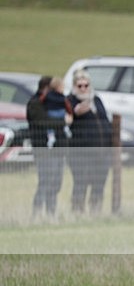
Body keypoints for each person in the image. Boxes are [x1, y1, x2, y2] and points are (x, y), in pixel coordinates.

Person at [67, 70, 113, 213]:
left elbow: (105, 120)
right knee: (80, 183)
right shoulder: (70, 101)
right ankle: (77, 211)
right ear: (74, 86)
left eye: (86, 85)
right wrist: (75, 113)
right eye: (79, 85)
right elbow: (67, 121)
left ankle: (95, 211)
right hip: (80, 152)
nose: (83, 89)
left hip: (101, 152)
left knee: (99, 184)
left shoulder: (96, 100)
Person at [27, 76, 72, 218]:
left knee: (55, 184)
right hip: (43, 150)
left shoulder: (53, 102)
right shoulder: (35, 103)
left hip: (57, 150)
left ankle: (50, 213)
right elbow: (42, 122)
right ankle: (37, 213)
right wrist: (63, 122)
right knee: (45, 182)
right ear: (46, 88)